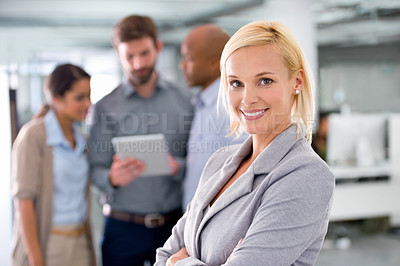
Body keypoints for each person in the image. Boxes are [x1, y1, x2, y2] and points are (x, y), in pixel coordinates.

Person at [155, 20, 335, 266]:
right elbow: (164, 254)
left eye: (265, 81)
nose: (248, 99)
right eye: (236, 83)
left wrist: (179, 262)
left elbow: (170, 260)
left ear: (297, 82)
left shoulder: (306, 175)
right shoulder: (219, 162)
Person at [88, 15, 193, 266]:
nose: (138, 63)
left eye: (144, 53)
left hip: (175, 227)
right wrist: (111, 178)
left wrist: (177, 166)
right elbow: (94, 170)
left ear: (157, 47)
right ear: (118, 54)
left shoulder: (186, 100)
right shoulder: (104, 108)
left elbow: (200, 161)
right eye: (129, 56)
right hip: (123, 228)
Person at [11, 63, 96, 266]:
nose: (88, 104)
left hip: (81, 243)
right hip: (48, 245)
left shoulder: (83, 141)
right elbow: (24, 202)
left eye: (89, 95)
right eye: (79, 97)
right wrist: (36, 260)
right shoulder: (34, 136)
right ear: (56, 99)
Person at [180, 24, 247, 209]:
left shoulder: (231, 106)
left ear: (213, 64)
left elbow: (244, 173)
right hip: (195, 221)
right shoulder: (202, 104)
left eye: (188, 59)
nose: (182, 65)